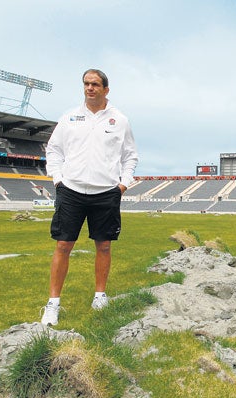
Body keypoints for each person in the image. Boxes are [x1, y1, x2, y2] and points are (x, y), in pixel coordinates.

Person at [41, 68, 139, 326]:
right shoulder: (69, 117)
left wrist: (123, 184)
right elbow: (54, 150)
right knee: (63, 245)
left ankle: (99, 295)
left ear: (106, 89)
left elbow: (130, 156)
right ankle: (53, 304)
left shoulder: (120, 120)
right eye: (86, 83)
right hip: (71, 190)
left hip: (106, 192)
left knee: (104, 246)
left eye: (95, 84)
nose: (90, 88)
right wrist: (58, 179)